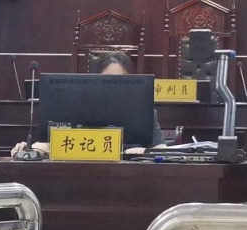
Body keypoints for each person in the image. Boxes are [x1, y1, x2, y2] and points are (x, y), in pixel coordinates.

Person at [10, 51, 165, 157]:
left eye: (122, 80)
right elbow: (56, 145)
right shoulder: (79, 108)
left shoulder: (144, 111)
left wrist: (146, 153)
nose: (117, 86)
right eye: (109, 80)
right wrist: (27, 150)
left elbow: (161, 150)